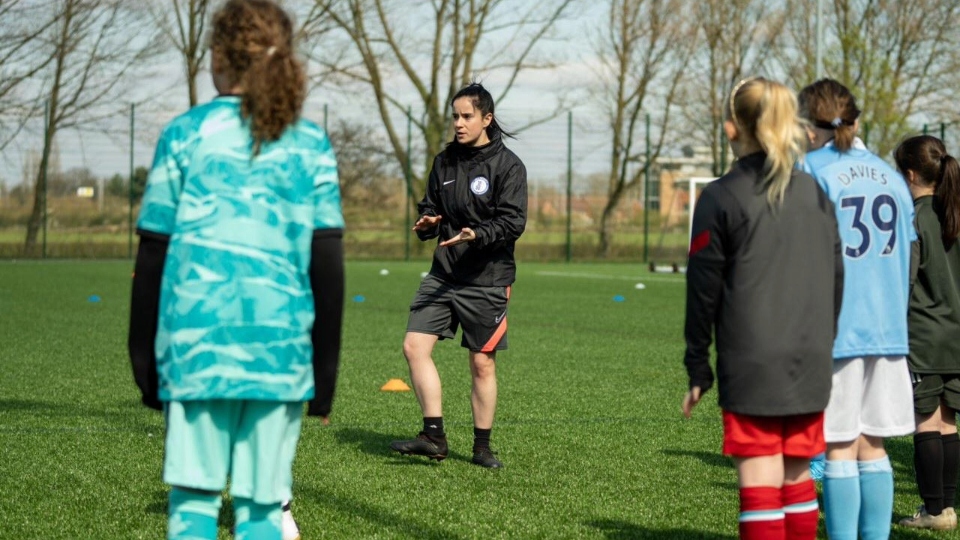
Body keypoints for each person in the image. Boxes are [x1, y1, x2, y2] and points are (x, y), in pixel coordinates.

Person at [127, 1, 344, 539]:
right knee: (261, 511)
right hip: (280, 352)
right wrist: (324, 372)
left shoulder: (184, 134)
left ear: (218, 58)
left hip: (196, 347)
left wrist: (145, 360)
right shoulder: (310, 142)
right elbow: (328, 264)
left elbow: (153, 253)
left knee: (194, 505)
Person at [682, 76, 843, 540]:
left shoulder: (719, 196)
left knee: (760, 487)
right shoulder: (814, 193)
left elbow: (702, 291)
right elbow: (835, 280)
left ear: (732, 128)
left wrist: (698, 367)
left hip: (754, 364)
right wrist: (822, 346)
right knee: (796, 480)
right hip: (810, 362)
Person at [798, 78, 916, 540]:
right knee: (874, 445)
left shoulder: (811, 170)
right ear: (857, 120)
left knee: (839, 445)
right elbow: (909, 255)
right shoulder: (890, 176)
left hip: (836, 329)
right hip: (888, 328)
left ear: (810, 128)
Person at [389, 83, 527, 469]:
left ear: (487, 119)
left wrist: (476, 234)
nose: (459, 123)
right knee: (414, 347)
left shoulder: (509, 166)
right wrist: (427, 222)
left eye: (467, 116)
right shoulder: (444, 162)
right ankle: (433, 436)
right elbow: (430, 206)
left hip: (487, 276)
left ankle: (482, 447)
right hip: (444, 274)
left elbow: (513, 221)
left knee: (482, 363)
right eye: (455, 116)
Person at [894, 135, 960, 531]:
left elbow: (904, 281)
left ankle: (933, 512)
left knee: (926, 422)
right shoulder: (956, 212)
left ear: (910, 174)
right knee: (949, 422)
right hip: (957, 337)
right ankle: (948, 509)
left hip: (924, 337)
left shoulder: (914, 219)